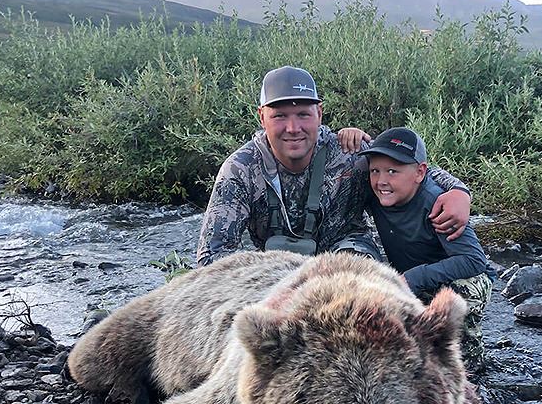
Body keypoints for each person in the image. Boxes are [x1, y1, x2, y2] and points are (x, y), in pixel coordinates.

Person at [196, 66, 472, 266]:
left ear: (319, 113)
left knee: (364, 284)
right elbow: (211, 256)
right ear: (262, 117)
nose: (293, 128)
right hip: (277, 270)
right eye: (280, 116)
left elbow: (411, 169)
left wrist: (459, 192)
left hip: (346, 258)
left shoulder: (349, 151)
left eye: (303, 114)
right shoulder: (240, 169)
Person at [361, 127, 494, 373]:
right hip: (411, 280)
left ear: (420, 173)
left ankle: (472, 366)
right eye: (375, 171)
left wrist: (412, 278)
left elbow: (473, 260)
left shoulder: (438, 204)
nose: (381, 181)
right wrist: (350, 133)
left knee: (463, 291)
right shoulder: (377, 193)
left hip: (453, 280)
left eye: (392, 171)